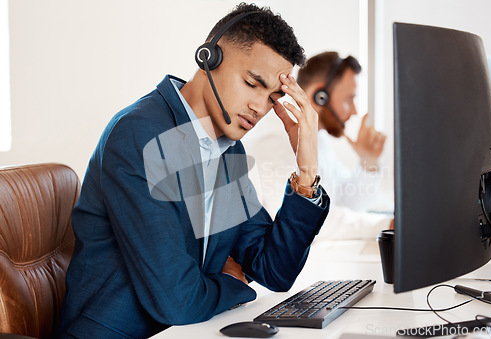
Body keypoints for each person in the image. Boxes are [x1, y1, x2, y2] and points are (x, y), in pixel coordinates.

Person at [57, 3, 330, 338]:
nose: (260, 107)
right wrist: (232, 284)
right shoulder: (141, 136)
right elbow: (177, 299)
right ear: (208, 58)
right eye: (252, 83)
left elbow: (272, 270)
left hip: (186, 330)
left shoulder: (223, 148)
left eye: (273, 97)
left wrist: (307, 172)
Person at [243, 51, 391, 240]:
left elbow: (346, 201)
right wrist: (386, 225)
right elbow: (306, 220)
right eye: (348, 99)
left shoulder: (318, 138)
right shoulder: (277, 140)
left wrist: (368, 162)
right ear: (320, 96)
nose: (354, 111)